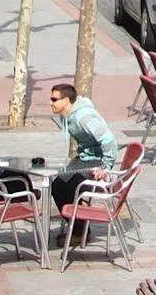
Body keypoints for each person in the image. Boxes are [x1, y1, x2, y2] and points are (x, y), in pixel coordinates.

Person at [48, 82, 118, 245]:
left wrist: (106, 167)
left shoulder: (84, 117)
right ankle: (78, 227)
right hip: (85, 158)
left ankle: (80, 231)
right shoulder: (66, 115)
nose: (50, 103)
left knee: (65, 185)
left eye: (54, 99)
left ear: (66, 100)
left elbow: (109, 140)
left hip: (97, 161)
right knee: (58, 183)